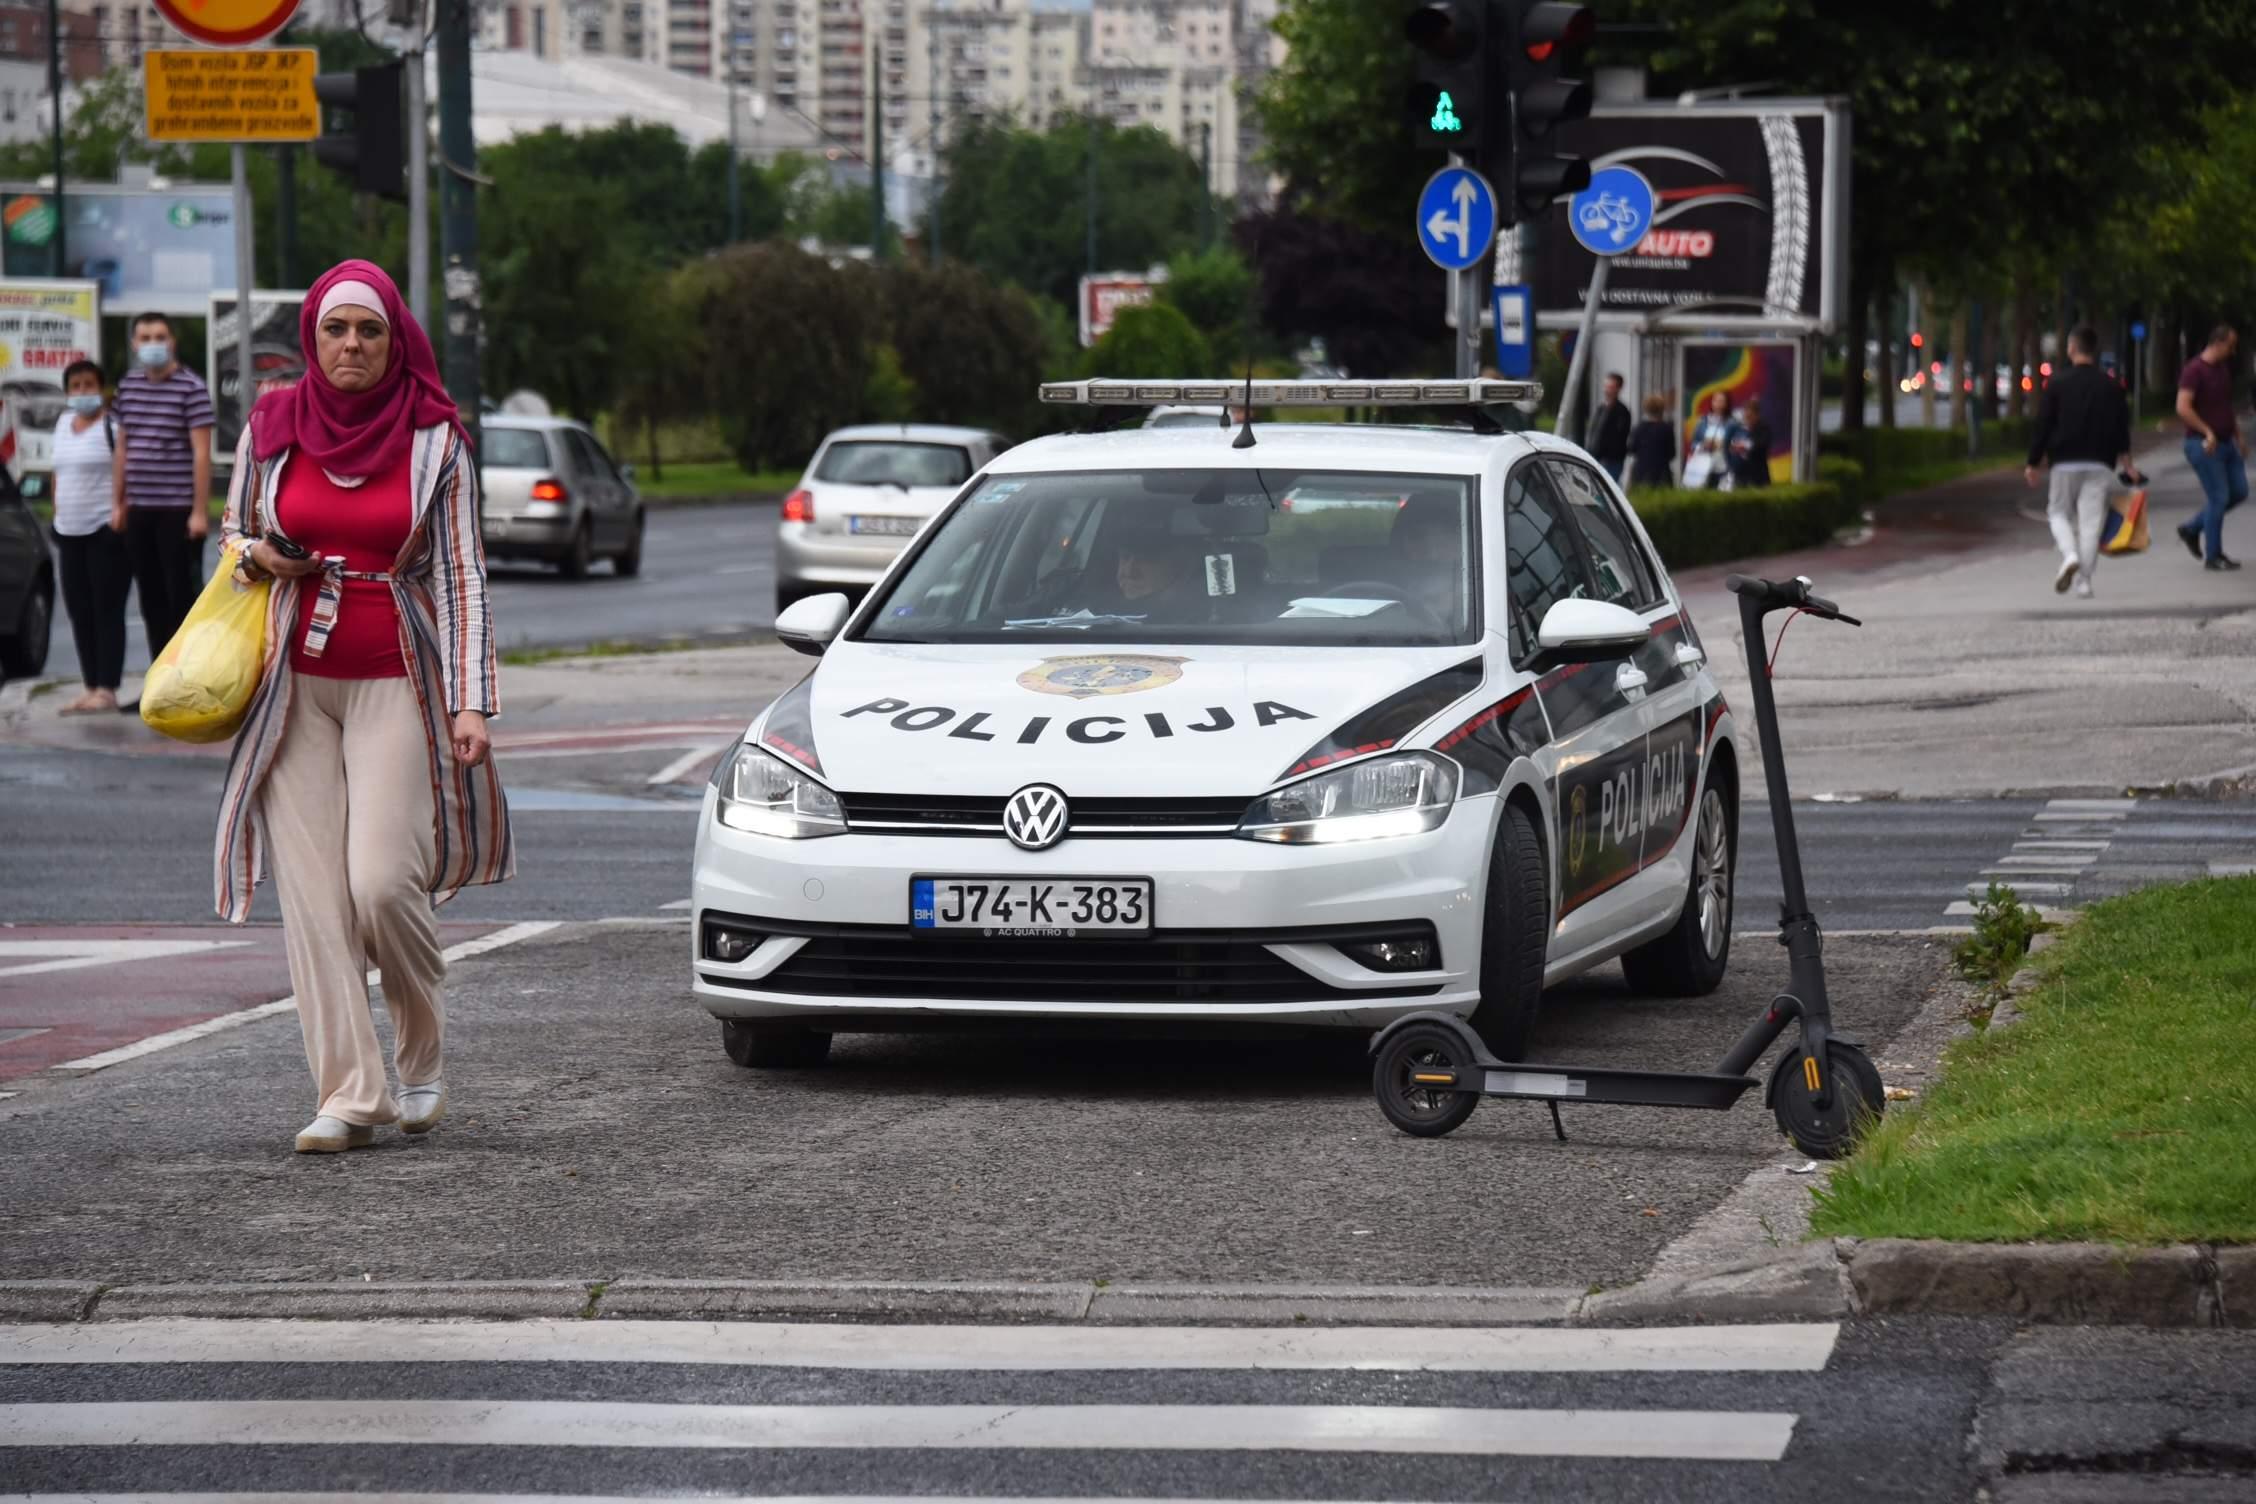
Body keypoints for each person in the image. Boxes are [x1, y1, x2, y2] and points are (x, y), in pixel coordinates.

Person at [213, 260, 512, 1155]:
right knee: (314, 900)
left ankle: (421, 1054)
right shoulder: (269, 427)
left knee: (381, 884)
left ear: (395, 342)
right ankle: (349, 1093)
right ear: (313, 337)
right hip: (291, 687)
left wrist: (472, 702)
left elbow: (461, 572)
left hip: (399, 679)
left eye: (369, 331)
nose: (351, 345)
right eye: (336, 329)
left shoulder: (435, 438)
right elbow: (232, 535)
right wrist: (263, 556)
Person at [110, 311, 215, 662]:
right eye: (146, 337)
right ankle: (158, 677)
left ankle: (186, 675)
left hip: (178, 510)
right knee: (150, 599)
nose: (153, 344)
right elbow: (122, 447)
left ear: (172, 342)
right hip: (140, 509)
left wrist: (199, 512)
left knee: (181, 600)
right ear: (134, 344)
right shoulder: (128, 386)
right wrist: (118, 502)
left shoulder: (191, 388)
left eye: (160, 337)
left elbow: (202, 453)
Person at [2025, 325, 2133, 597]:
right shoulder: (2111, 386)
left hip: (2064, 460)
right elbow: (2122, 427)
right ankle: (2084, 582)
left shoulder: (2058, 384)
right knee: (2090, 524)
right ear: (2094, 350)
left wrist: (2033, 461)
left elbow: (2044, 425)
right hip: (2100, 462)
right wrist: (2127, 462)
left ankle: (2069, 554)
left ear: (2072, 347)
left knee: (2058, 512)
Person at [48, 361, 130, 714]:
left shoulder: (112, 427)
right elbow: (57, 473)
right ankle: (90, 684)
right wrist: (56, 512)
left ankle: (107, 688)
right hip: (69, 529)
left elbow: (125, 471)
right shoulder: (64, 424)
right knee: (79, 609)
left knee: (106, 609)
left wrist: (119, 514)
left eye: (88, 385)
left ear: (101, 388)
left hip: (102, 530)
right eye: (76, 386)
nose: (82, 392)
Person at [2175, 324, 2245, 570]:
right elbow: (2183, 407)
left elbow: (2225, 406)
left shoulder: (2222, 370)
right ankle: (2213, 556)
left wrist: (2238, 435)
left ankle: (2192, 528)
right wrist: (2207, 431)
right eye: (2230, 345)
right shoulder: (2194, 370)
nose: (2233, 351)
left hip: (2227, 443)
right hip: (2203, 444)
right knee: (2219, 497)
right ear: (2217, 343)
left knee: (2239, 491)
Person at [1583, 372, 1631, 482]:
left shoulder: (1622, 411)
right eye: (1606, 386)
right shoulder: (1601, 408)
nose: (1606, 390)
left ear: (1618, 389)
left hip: (1612, 461)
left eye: (1610, 387)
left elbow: (1619, 436)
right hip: (1596, 458)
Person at [1687, 391, 1740, 489]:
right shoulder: (1703, 422)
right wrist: (1702, 446)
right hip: (1704, 468)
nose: (1718, 404)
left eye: (1722, 401)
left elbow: (1738, 443)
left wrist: (1729, 445)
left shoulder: (1732, 423)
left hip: (1724, 468)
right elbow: (1694, 443)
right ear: (1711, 403)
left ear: (1726, 404)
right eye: (1716, 400)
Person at [1627, 394, 1675, 489]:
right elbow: (1672, 453)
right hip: (1662, 473)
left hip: (1641, 472)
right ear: (1662, 409)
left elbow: (1631, 449)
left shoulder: (1639, 428)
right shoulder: (1667, 429)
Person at [1731, 398, 1774, 488]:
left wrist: (1745, 446)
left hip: (1759, 476)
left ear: (1757, 415)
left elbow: (1762, 445)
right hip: (1741, 477)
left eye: (1750, 415)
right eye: (1746, 415)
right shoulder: (1739, 429)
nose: (1747, 418)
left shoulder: (1763, 428)